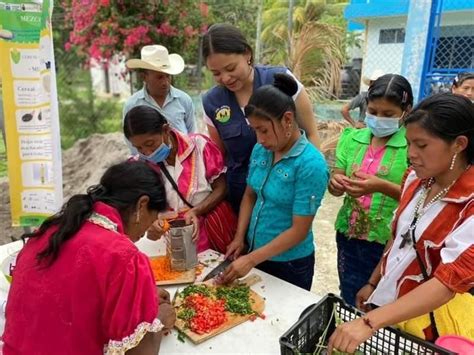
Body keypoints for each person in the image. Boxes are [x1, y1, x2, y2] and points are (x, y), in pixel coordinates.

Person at [328, 93, 474, 353]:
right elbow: (400, 238)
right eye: (408, 144)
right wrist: (374, 283)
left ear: (459, 144)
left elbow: (446, 283)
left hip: (429, 323)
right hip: (389, 305)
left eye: (422, 145)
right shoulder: (416, 180)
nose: (411, 154)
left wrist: (369, 322)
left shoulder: (469, 204)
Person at [3, 161, 176, 354]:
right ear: (142, 206)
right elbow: (140, 352)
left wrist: (140, 298)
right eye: (150, 220)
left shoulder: (52, 231)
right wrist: (158, 321)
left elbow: (77, 295)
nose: (144, 233)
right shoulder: (123, 256)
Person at [221, 73, 328, 291]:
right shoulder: (261, 150)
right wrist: (240, 238)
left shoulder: (311, 164)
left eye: (264, 130)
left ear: (287, 119)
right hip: (255, 252)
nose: (260, 139)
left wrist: (251, 259)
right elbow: (250, 195)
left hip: (290, 264)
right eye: (255, 130)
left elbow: (299, 230)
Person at [201, 23, 321, 213]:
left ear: (247, 54)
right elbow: (220, 159)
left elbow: (312, 134)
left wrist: (306, 182)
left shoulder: (281, 80)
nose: (225, 78)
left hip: (285, 192)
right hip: (240, 198)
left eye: (230, 68)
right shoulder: (212, 102)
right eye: (216, 73)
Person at [328, 74, 413, 307]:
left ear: (406, 111)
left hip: (388, 241)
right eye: (373, 111)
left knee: (379, 301)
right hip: (349, 233)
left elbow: (420, 199)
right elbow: (337, 175)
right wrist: (336, 183)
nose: (378, 119)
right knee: (349, 291)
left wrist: (381, 186)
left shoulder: (413, 145)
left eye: (388, 115)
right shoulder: (352, 138)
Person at [124, 105, 236, 254]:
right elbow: (137, 208)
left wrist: (196, 211)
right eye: (139, 148)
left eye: (150, 144)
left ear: (165, 130)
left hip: (210, 232)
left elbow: (221, 188)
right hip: (167, 240)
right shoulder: (139, 166)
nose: (147, 152)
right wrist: (150, 222)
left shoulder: (199, 146)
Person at [124, 45, 196, 135]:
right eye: (159, 77)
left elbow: (193, 135)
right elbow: (131, 139)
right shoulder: (133, 105)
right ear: (144, 77)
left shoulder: (184, 100)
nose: (165, 82)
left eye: (168, 76)